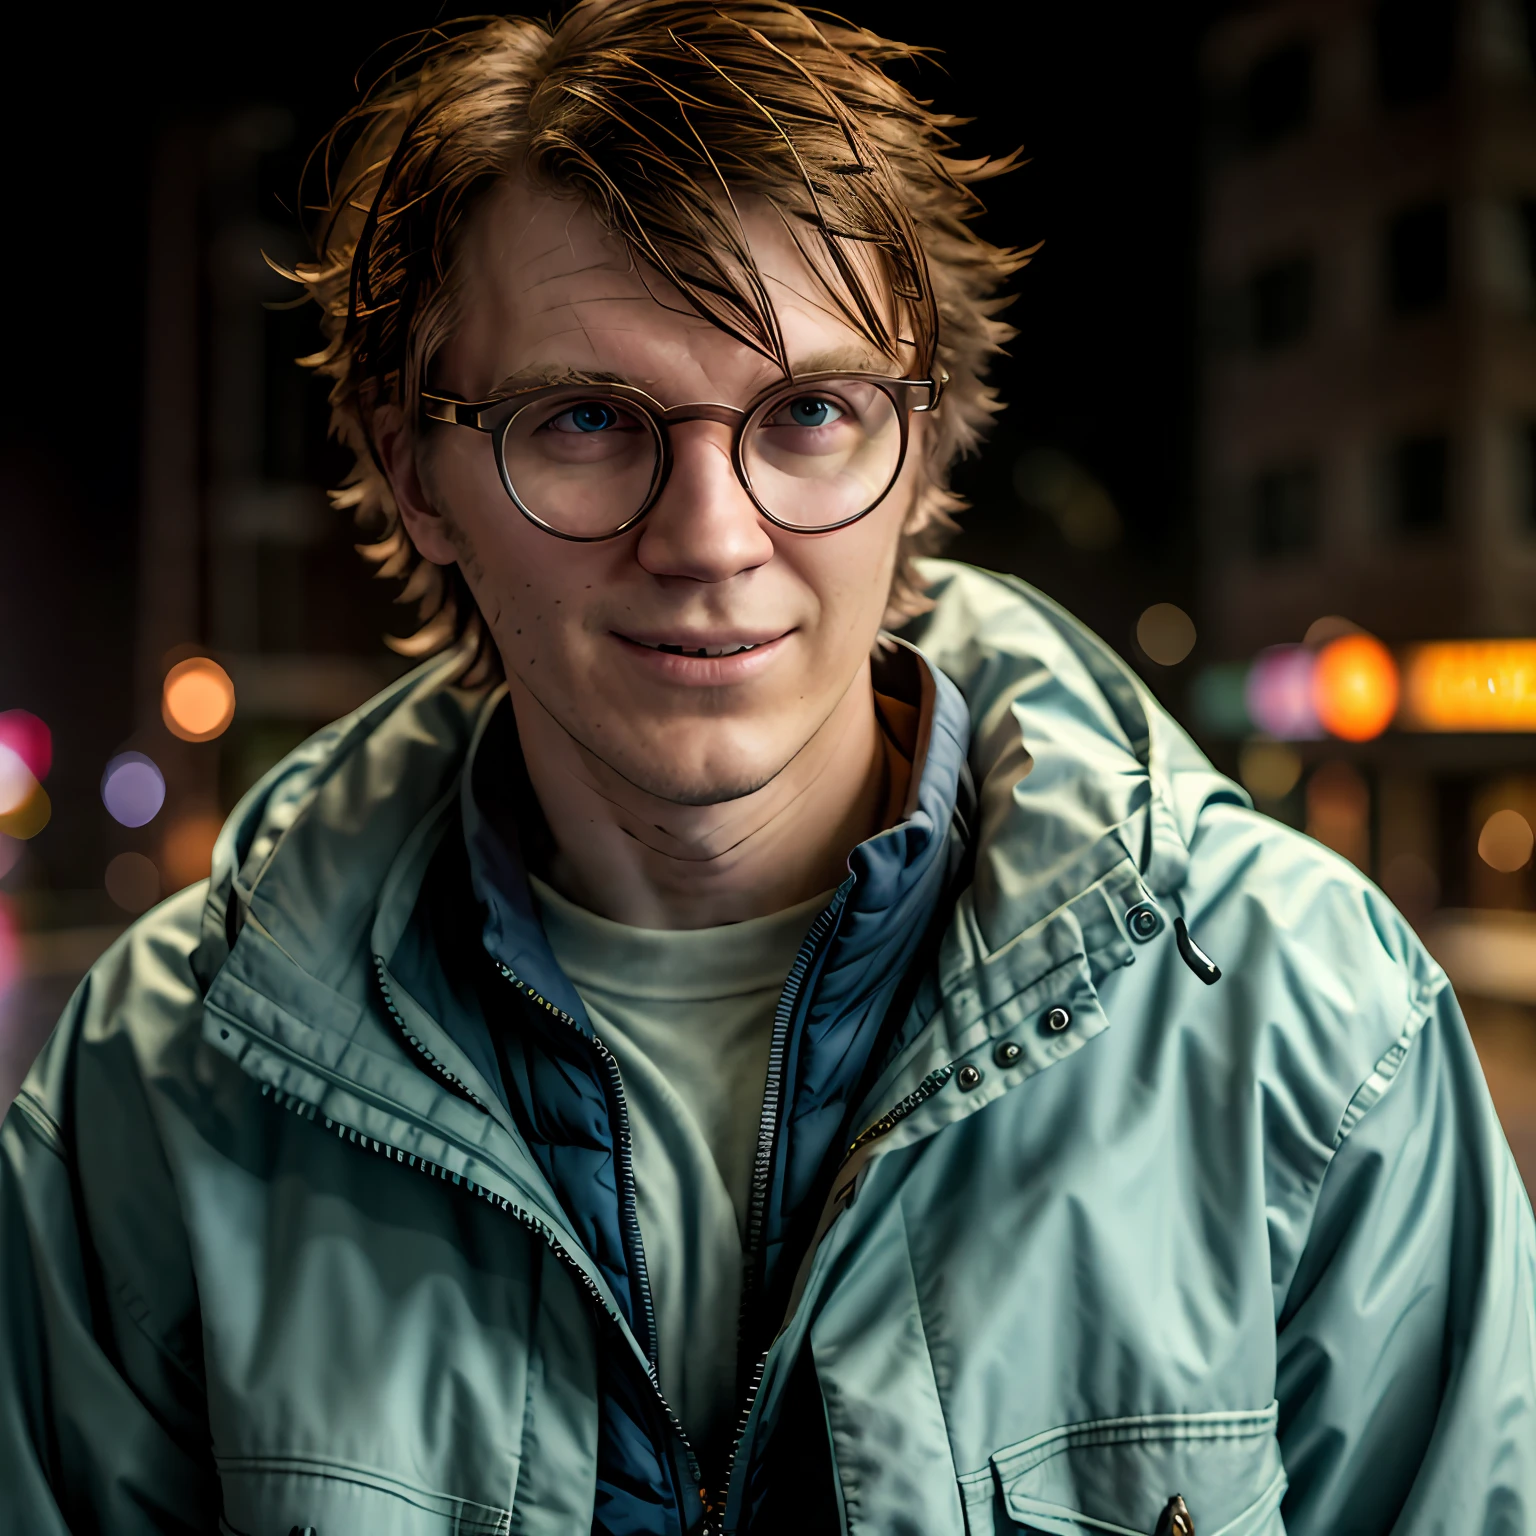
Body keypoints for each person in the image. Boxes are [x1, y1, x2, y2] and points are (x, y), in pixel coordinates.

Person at [3, 3, 1533, 1532]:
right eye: (588, 419)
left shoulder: (1315, 1035)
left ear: (922, 457)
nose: (711, 537)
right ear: (416, 473)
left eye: (809, 413)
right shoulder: (151, 1098)